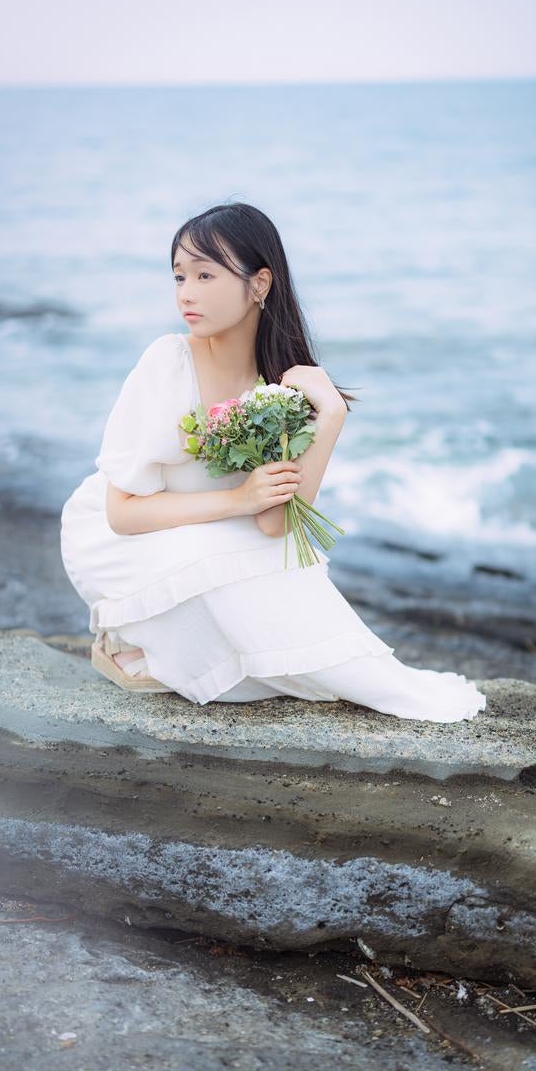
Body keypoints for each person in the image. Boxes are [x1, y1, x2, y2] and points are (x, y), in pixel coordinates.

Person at [59, 202, 486, 723]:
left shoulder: (280, 389)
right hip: (118, 537)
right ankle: (132, 634)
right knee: (222, 562)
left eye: (205, 274)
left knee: (280, 576)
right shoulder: (167, 362)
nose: (185, 292)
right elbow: (122, 512)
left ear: (259, 284)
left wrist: (329, 416)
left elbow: (275, 524)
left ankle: (352, 672)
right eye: (179, 276)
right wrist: (238, 498)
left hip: (215, 529)